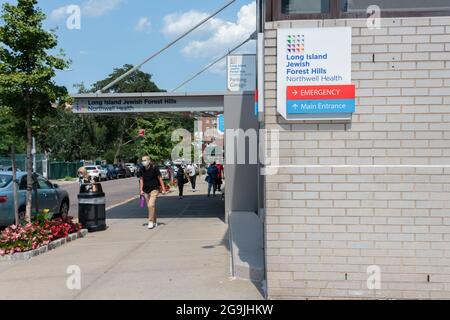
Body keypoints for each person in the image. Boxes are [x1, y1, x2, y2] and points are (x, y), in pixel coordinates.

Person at [139, 156, 167, 229]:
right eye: (142, 160)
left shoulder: (154, 168)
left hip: (154, 189)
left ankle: (150, 221)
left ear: (149, 160)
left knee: (151, 205)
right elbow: (141, 180)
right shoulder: (141, 169)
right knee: (150, 206)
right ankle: (155, 221)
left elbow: (160, 178)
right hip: (145, 190)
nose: (143, 162)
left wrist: (163, 188)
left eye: (145, 160)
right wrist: (141, 190)